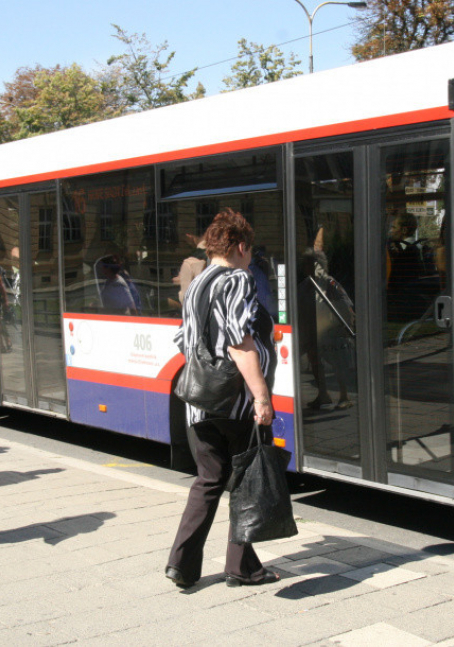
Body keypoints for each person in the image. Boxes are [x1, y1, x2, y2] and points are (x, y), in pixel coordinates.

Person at [166, 208, 280, 589]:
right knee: (247, 481)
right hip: (235, 403)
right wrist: (260, 397)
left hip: (199, 401)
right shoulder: (237, 279)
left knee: (209, 480)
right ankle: (242, 567)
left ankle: (181, 563)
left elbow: (185, 341)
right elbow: (238, 341)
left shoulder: (198, 281)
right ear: (242, 246)